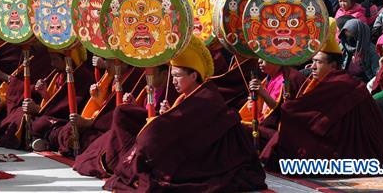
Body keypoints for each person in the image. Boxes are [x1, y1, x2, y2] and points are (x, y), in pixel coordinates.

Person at [105, 36, 266, 192]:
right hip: (190, 148)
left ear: (193, 75)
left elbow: (189, 127)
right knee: (125, 114)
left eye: (177, 76)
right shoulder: (186, 95)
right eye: (172, 76)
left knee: (151, 143)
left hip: (207, 159)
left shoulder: (206, 97)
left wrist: (162, 122)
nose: (173, 81)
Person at [261, 32, 383, 171]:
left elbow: (310, 114)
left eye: (319, 62)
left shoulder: (341, 84)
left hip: (354, 144)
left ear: (333, 66)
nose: (313, 66)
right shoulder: (322, 81)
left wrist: (288, 107)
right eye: (313, 61)